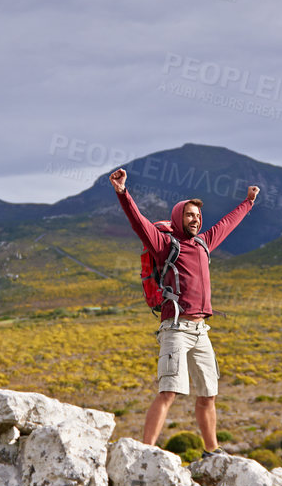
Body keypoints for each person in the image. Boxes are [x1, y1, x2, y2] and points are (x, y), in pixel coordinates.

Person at [109, 167, 258, 451]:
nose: (196, 219)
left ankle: (212, 452)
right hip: (175, 328)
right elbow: (138, 223)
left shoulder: (204, 243)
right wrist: (123, 193)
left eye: (198, 216)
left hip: (202, 331)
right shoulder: (165, 245)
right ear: (179, 217)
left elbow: (228, 223)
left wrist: (248, 202)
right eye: (190, 215)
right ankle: (146, 451)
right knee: (168, 392)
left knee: (208, 395)